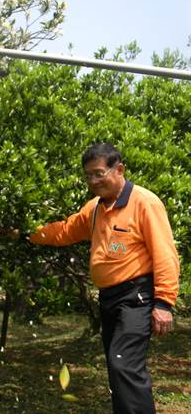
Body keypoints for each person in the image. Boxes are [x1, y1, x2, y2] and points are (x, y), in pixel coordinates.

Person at [29, 143, 179, 413]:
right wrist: (26, 232)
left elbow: (165, 253)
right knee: (117, 369)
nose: (93, 181)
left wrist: (164, 303)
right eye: (88, 176)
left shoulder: (144, 202)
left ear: (119, 169)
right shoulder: (95, 208)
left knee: (124, 364)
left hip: (137, 297)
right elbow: (65, 231)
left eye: (99, 174)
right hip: (110, 298)